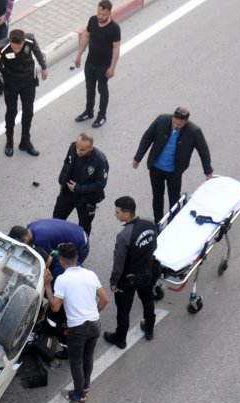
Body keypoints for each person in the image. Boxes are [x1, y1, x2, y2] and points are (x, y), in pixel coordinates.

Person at [46, 243, 107, 403]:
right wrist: (93, 313)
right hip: (95, 324)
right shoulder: (90, 274)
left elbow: (55, 306)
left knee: (76, 363)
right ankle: (85, 387)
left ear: (61, 261)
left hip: (78, 329)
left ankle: (79, 396)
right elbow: (105, 299)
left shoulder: (62, 280)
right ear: (77, 258)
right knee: (88, 357)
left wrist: (47, 285)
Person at [131, 107, 212, 223]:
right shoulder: (162, 120)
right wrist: (137, 158)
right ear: (173, 117)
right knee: (157, 197)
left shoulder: (194, 131)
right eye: (174, 122)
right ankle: (158, 222)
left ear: (185, 122)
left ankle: (173, 223)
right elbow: (147, 138)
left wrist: (208, 171)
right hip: (156, 169)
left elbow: (203, 151)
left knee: (174, 199)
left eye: (180, 124)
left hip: (174, 172)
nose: (176, 125)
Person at [104, 196, 157, 348]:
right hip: (147, 272)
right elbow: (154, 247)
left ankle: (120, 339)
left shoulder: (123, 236)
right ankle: (149, 328)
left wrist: (114, 282)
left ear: (127, 215)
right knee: (147, 299)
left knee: (123, 310)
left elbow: (118, 264)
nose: (116, 215)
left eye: (118, 212)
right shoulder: (150, 224)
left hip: (127, 279)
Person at [0, 28, 48, 157]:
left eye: (19, 47)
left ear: (22, 42)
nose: (16, 50)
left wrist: (44, 67)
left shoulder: (30, 40)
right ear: (9, 41)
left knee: (28, 111)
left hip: (28, 82)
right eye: (14, 48)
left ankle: (25, 141)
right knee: (11, 112)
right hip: (11, 84)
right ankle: (9, 140)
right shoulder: (2, 48)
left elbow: (38, 53)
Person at [71, 0, 120, 129]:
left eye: (104, 14)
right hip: (90, 62)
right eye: (99, 13)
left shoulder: (114, 28)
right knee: (89, 88)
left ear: (109, 13)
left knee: (102, 89)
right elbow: (86, 36)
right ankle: (88, 112)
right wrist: (79, 55)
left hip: (104, 66)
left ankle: (102, 115)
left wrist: (112, 68)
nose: (100, 17)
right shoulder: (92, 20)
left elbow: (116, 48)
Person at [52, 132, 108, 237]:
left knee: (84, 227)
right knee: (56, 220)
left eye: (82, 150)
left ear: (90, 148)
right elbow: (66, 163)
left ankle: (82, 248)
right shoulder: (73, 147)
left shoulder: (100, 160)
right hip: (67, 194)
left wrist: (78, 188)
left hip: (86, 200)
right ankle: (54, 240)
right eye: (77, 147)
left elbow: (100, 184)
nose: (78, 151)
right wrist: (62, 180)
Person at [7, 219, 88, 278]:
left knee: (69, 269)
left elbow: (50, 258)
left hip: (81, 245)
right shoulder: (31, 227)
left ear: (26, 239)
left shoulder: (40, 240)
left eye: (20, 244)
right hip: (78, 231)